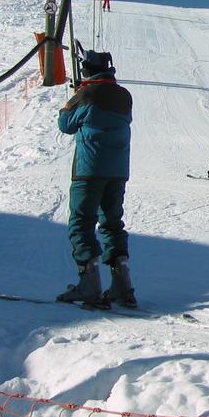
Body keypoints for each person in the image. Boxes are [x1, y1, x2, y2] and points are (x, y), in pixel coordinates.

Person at [56, 50, 136, 307]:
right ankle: (122, 284)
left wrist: (72, 99)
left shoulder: (86, 94)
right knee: (112, 223)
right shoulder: (124, 95)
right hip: (118, 171)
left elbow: (65, 123)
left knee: (81, 221)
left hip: (89, 169)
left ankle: (88, 282)